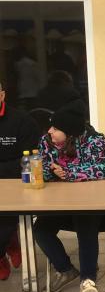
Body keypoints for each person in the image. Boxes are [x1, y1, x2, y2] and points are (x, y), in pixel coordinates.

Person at [33, 100, 105, 292]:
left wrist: (69, 173)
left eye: (55, 128)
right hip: (59, 204)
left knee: (85, 222)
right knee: (40, 228)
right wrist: (51, 172)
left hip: (90, 202)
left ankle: (88, 280)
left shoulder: (94, 141)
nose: (49, 131)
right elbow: (39, 169)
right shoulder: (46, 142)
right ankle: (65, 269)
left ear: (69, 132)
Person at [0, 79, 40, 281]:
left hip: (16, 182)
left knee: (5, 218)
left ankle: (4, 247)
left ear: (2, 95)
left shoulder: (23, 122)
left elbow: (29, 160)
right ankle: (9, 243)